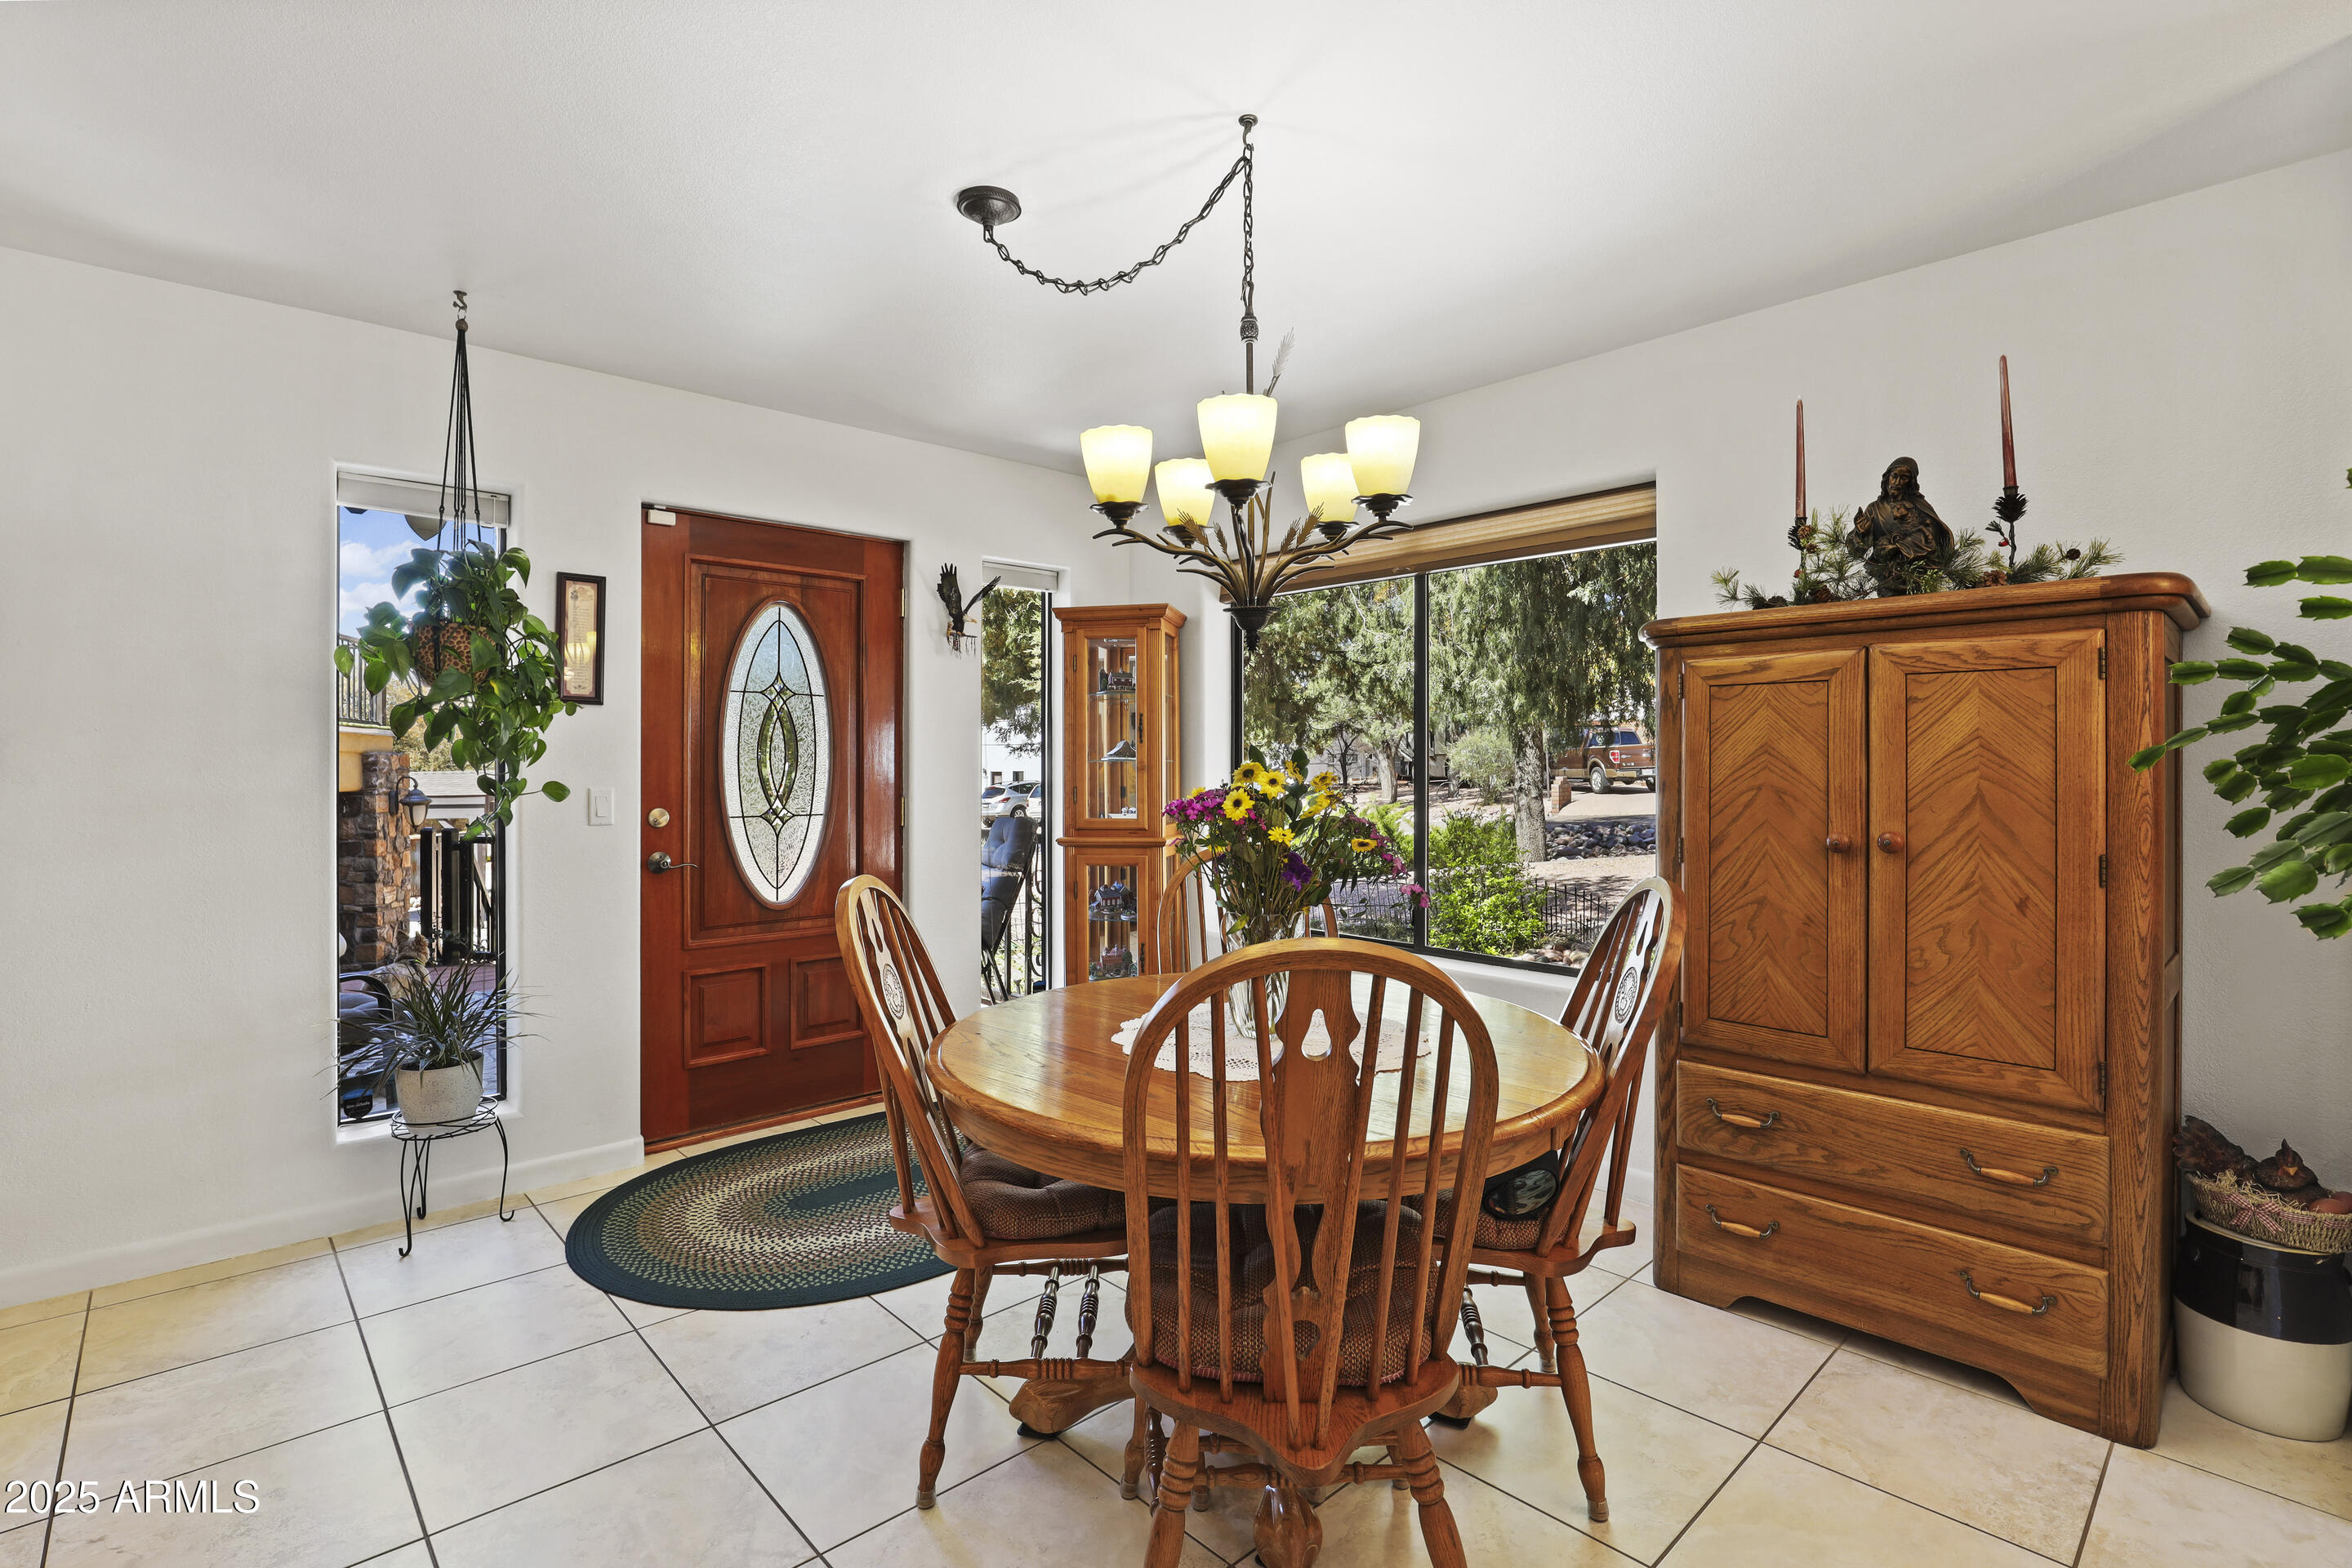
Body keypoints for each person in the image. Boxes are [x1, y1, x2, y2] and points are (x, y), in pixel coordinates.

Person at [1851, 457, 1954, 595]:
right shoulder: (1874, 509)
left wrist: (1897, 547)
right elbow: (1855, 552)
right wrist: (1862, 533)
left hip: (1919, 580)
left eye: (1904, 478)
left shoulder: (1918, 506)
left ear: (1910, 482)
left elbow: (1931, 537)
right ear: (1887, 478)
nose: (1897, 483)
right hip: (1888, 582)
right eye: (1894, 476)